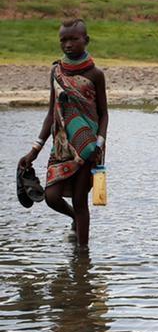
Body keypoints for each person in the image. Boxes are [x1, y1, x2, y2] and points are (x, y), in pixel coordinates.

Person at [17, 18, 109, 248]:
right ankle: (74, 221)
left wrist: (99, 144)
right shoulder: (56, 72)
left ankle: (83, 256)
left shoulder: (96, 74)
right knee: (51, 196)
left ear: (85, 40)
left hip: (87, 147)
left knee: (80, 200)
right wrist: (34, 150)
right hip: (61, 146)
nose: (68, 44)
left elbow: (104, 114)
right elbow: (51, 114)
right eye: (63, 40)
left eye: (73, 39)